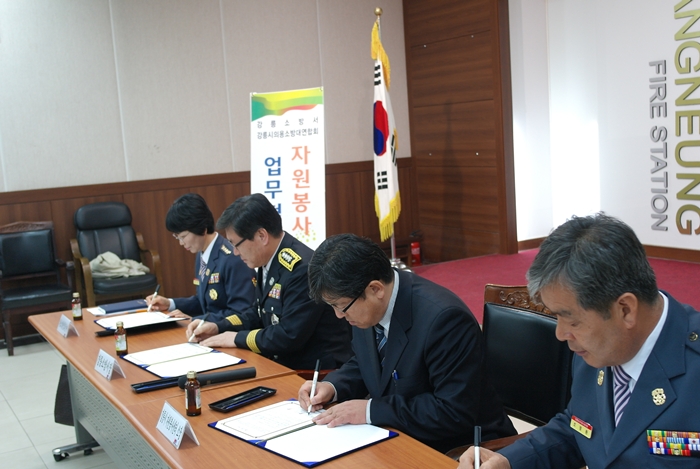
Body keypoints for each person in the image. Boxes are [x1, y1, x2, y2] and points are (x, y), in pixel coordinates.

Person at [459, 213, 700, 469]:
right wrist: (509, 461)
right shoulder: (594, 348)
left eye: (572, 321)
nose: (560, 334)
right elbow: (580, 428)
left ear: (626, 310)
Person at [297, 233, 517, 453]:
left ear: (375, 289)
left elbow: (452, 411)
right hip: (399, 435)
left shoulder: (444, 320)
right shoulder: (364, 304)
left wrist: (370, 411)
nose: (338, 315)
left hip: (460, 447)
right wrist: (332, 386)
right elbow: (369, 362)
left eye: (341, 306)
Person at [187, 193, 352, 371]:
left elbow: (288, 335)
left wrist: (235, 338)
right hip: (283, 364)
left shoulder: (301, 269)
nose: (235, 252)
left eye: (236, 244)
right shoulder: (268, 259)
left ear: (261, 236)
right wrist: (218, 326)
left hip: (315, 373)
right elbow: (258, 313)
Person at [147, 193, 255, 321]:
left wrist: (198, 321)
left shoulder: (233, 258)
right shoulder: (202, 253)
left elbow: (241, 312)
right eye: (177, 237)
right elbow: (204, 301)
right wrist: (170, 303)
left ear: (202, 229)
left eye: (183, 236)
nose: (181, 243)